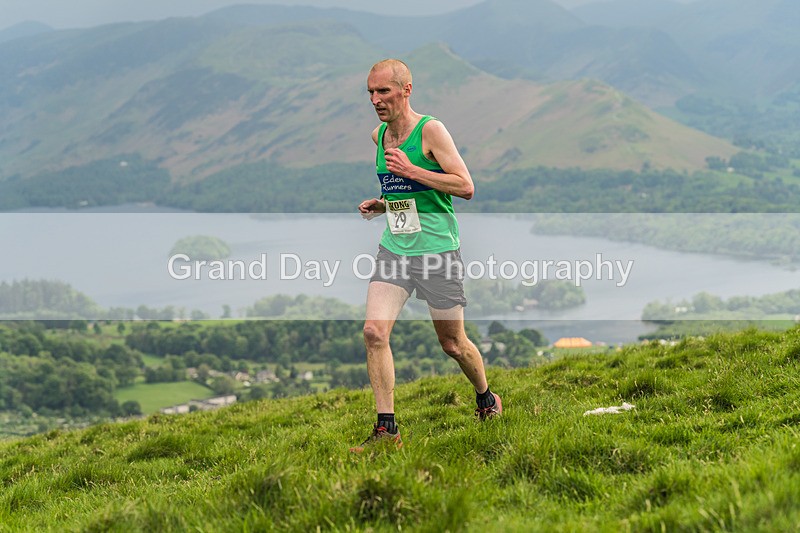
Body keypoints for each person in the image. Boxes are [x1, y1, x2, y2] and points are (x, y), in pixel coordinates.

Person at [351, 59, 501, 453]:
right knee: (373, 332)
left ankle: (486, 398)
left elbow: (465, 186)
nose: (375, 99)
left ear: (406, 90)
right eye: (370, 92)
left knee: (453, 344)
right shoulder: (379, 136)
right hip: (396, 249)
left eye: (383, 91)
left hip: (437, 252)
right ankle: (388, 431)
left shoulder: (430, 130)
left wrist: (415, 170)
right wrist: (383, 205)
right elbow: (403, 193)